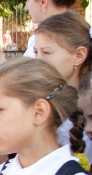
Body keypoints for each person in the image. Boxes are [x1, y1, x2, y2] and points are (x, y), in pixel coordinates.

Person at [34, 10, 92, 163]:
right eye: (35, 52)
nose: (38, 60)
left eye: (46, 52)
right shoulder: (44, 99)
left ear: (79, 55)